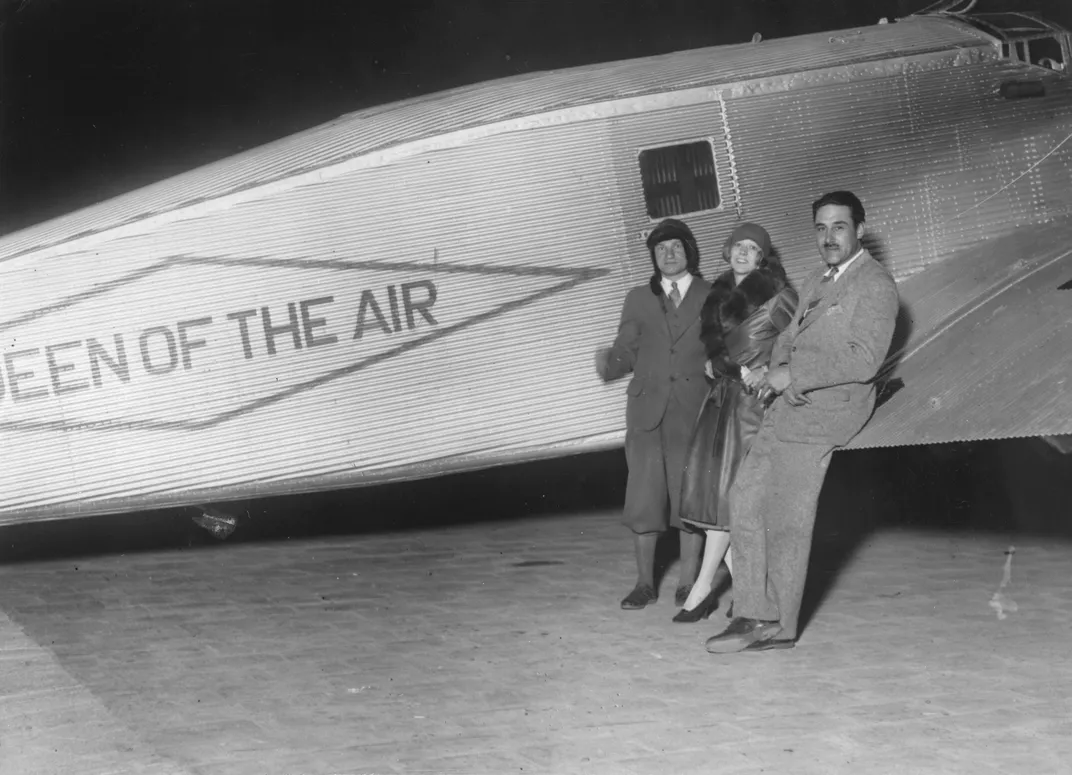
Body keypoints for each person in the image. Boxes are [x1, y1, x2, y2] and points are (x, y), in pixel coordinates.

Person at [705, 191, 898, 653]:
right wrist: (772, 371)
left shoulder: (875, 285)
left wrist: (791, 373)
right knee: (745, 496)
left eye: (839, 227)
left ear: (860, 230)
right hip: (788, 402)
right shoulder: (816, 280)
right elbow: (787, 338)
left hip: (830, 407)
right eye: (820, 228)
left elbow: (864, 358)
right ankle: (753, 610)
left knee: (787, 514)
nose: (828, 237)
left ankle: (778, 625)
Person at [673, 222, 797, 623]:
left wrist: (768, 370)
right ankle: (748, 592)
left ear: (763, 257)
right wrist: (719, 362)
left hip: (753, 406)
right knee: (721, 499)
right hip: (723, 401)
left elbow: (796, 343)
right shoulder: (717, 295)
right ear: (727, 252)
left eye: (752, 248)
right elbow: (716, 350)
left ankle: (703, 588)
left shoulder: (779, 296)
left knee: (731, 499)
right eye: (737, 246)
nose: (744, 253)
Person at [595, 219, 712, 610]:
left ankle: (688, 584)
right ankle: (644, 583)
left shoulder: (711, 294)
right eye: (661, 249)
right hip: (646, 412)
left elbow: (724, 347)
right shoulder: (637, 297)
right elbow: (626, 346)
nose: (668, 254)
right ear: (653, 257)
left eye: (676, 247)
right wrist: (610, 362)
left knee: (689, 499)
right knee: (644, 499)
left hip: (693, 410)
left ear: (689, 252)